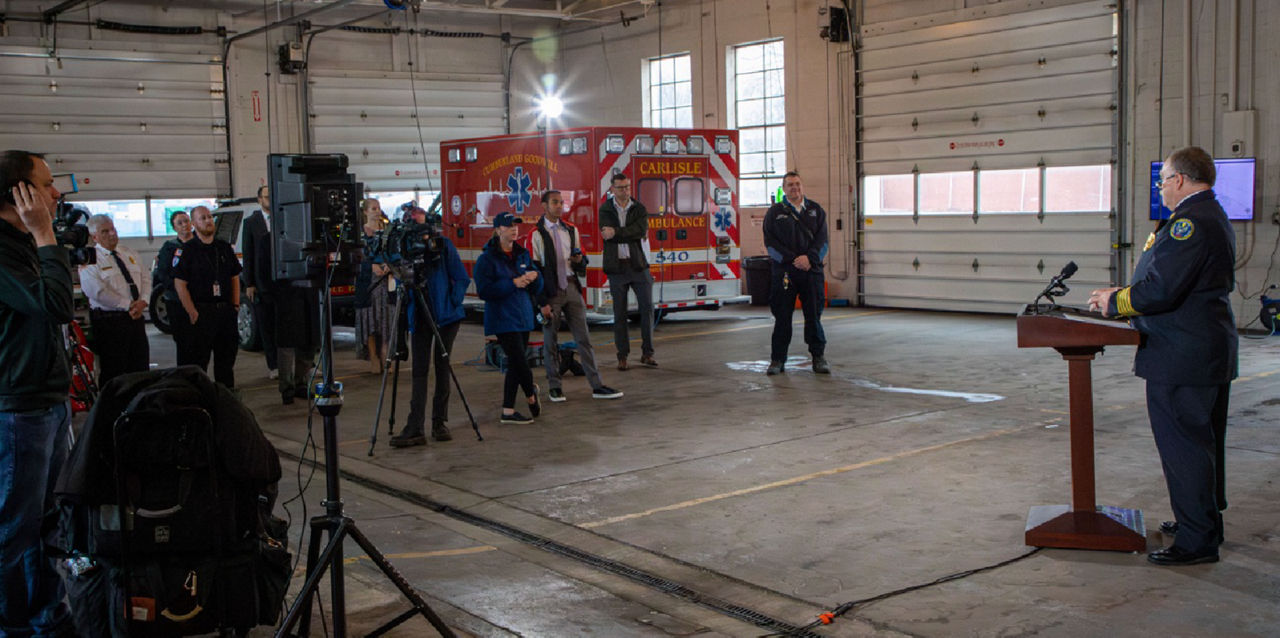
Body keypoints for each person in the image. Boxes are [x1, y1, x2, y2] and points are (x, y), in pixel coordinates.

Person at [1088, 146, 1237, 567]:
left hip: (1182, 353)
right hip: (1203, 350)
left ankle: (1197, 541)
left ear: (1179, 180)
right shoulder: (1211, 214)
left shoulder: (1190, 222)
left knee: (1184, 446)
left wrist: (1115, 300)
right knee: (1203, 445)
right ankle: (1203, 523)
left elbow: (1162, 290)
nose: (1161, 189)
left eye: (1163, 181)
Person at [0, 149, 74, 635]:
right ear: (20, 193)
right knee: (11, 531)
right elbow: (56, 304)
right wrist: (47, 234)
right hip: (18, 411)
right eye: (47, 184)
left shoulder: (22, 243)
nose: (57, 191)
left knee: (46, 526)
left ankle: (48, 616)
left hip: (46, 402)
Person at [389, 206, 472, 447]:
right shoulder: (404, 248)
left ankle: (439, 422)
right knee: (419, 370)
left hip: (446, 316)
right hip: (420, 315)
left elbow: (462, 278)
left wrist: (450, 302)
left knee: (442, 366)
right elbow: (398, 275)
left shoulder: (442, 246)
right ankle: (415, 427)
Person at [529, 190, 622, 402]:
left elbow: (582, 261)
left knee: (584, 338)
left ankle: (597, 385)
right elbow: (535, 270)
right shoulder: (536, 234)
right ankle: (554, 386)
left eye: (561, 202)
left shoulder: (571, 230)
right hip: (551, 291)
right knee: (550, 339)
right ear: (544, 206)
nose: (560, 206)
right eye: (555, 202)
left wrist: (579, 260)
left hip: (571, 286)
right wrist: (542, 301)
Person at [474, 212, 542, 424]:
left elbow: (536, 288)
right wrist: (512, 283)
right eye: (508, 226)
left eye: (516, 225)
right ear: (497, 229)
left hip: (522, 315)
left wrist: (535, 277)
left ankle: (508, 410)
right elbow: (484, 291)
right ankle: (531, 394)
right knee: (519, 361)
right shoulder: (487, 259)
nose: (514, 229)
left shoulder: (522, 254)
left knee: (515, 363)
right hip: (503, 318)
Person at [762, 171, 830, 376]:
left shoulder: (816, 211)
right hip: (785, 273)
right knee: (782, 318)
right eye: (790, 185)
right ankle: (777, 360)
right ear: (784, 188)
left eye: (798, 184)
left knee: (814, 317)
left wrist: (810, 259)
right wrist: (793, 260)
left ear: (802, 186)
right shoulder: (774, 213)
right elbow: (770, 244)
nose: (795, 188)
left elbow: (823, 242)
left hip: (811, 272)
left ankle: (818, 358)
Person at [174, 205, 242, 388]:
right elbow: (180, 284)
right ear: (194, 224)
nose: (208, 221)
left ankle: (226, 399)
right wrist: (191, 311)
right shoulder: (187, 250)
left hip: (225, 312)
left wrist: (235, 305)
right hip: (201, 312)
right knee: (198, 363)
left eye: (209, 217)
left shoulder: (224, 247)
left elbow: (234, 276)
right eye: (202, 218)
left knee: (226, 363)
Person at [80, 213, 151, 386]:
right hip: (110, 322)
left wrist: (143, 301)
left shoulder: (128, 253)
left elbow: (146, 278)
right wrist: (128, 305)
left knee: (140, 367)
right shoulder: (90, 259)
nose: (112, 234)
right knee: (114, 370)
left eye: (113, 229)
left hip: (136, 318)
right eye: (105, 231)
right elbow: (96, 291)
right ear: (94, 237)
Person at [599, 172, 657, 370]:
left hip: (639, 265)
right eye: (621, 187)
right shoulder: (605, 209)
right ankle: (622, 356)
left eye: (627, 187)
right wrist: (621, 233)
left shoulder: (639, 208)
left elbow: (640, 231)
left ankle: (647, 353)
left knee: (647, 309)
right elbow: (606, 235)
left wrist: (616, 232)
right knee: (620, 314)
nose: (625, 191)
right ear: (612, 189)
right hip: (617, 267)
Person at [241, 185, 278, 379]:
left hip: (282, 282)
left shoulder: (283, 218)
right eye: (266, 197)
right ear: (259, 200)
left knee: (285, 325)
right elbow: (248, 254)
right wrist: (250, 283)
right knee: (266, 326)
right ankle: (273, 365)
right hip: (262, 283)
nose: (270, 200)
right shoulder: (251, 223)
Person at [356, 198, 393, 375]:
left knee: (386, 320)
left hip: (387, 282)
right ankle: (373, 357)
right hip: (367, 283)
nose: (377, 211)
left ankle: (386, 353)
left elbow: (395, 252)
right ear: (365, 212)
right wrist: (370, 266)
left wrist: (389, 265)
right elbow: (355, 258)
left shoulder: (387, 231)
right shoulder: (359, 234)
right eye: (373, 208)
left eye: (378, 208)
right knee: (370, 320)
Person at [152, 209, 194, 363]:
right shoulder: (169, 247)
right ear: (175, 227)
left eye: (186, 221)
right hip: (176, 301)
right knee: (183, 342)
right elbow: (163, 273)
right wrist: (179, 287)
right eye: (180, 223)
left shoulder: (199, 245)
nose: (185, 225)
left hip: (198, 300)